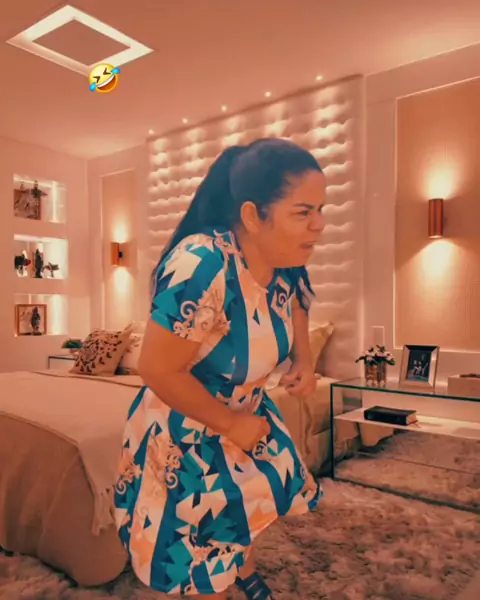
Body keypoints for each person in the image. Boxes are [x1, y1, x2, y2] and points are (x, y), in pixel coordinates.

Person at [114, 138, 326, 599]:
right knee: (195, 552)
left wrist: (304, 361)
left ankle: (241, 570)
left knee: (242, 512)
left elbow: (299, 305)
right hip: (186, 429)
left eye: (320, 210)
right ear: (252, 215)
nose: (319, 225)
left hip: (245, 413)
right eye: (303, 212)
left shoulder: (285, 262)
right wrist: (230, 424)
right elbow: (156, 368)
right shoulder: (202, 263)